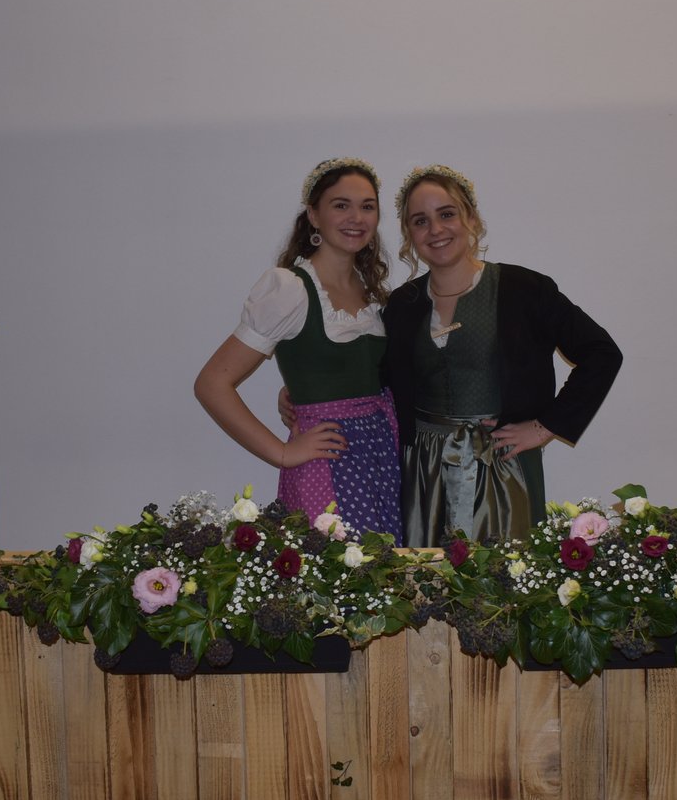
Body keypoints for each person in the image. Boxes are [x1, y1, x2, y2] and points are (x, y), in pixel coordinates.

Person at [384, 165, 622, 546]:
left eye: (447, 214)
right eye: (420, 221)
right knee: (427, 574)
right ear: (409, 234)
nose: (436, 229)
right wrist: (299, 396)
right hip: (424, 473)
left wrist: (544, 427)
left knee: (502, 574)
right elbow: (378, 377)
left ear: (471, 218)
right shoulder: (402, 304)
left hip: (501, 466)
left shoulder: (524, 290)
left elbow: (602, 353)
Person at [194, 158, 403, 537]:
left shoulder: (371, 291)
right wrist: (282, 452)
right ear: (313, 215)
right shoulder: (290, 289)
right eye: (341, 205)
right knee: (336, 566)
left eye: (367, 206)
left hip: (380, 457)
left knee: (383, 565)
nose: (356, 217)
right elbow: (212, 384)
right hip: (326, 461)